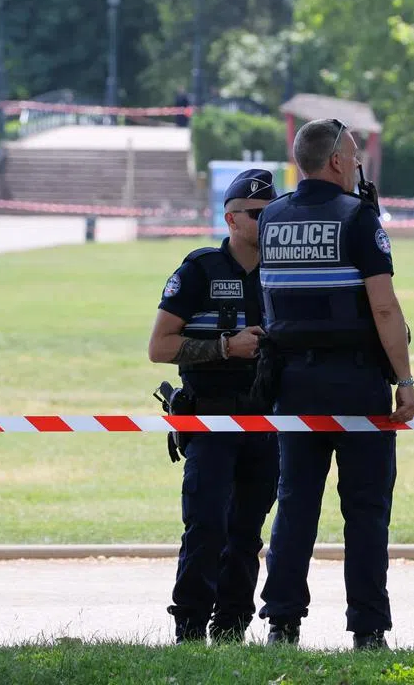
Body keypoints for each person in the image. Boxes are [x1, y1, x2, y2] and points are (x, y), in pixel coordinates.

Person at [254, 118, 414, 651]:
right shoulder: (358, 219)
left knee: (295, 503)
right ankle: (368, 628)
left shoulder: (272, 217)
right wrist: (405, 379)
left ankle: (281, 621)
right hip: (355, 381)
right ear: (336, 162)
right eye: (352, 154)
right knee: (366, 508)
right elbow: (384, 306)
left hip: (291, 383)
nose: (356, 162)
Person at [148, 168, 280, 645]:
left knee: (247, 531)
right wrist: (226, 347)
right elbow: (160, 347)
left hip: (269, 419)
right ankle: (189, 626)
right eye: (256, 215)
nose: (267, 223)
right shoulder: (201, 269)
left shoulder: (285, 271)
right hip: (210, 416)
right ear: (231, 218)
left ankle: (232, 627)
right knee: (206, 526)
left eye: (273, 214)